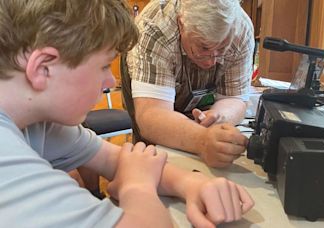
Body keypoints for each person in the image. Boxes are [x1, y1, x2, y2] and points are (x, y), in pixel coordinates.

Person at [0, 0, 254, 227]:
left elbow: (118, 160)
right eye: (102, 66)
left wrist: (193, 184)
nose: (110, 81)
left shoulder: (39, 124)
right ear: (43, 68)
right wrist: (138, 188)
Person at [122, 0, 255, 168]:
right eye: (204, 48)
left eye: (222, 48)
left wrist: (219, 117)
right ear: (181, 23)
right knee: (153, 158)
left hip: (198, 94)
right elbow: (151, 116)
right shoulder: (154, 28)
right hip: (156, 95)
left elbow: (235, 98)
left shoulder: (241, 29)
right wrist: (202, 140)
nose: (212, 61)